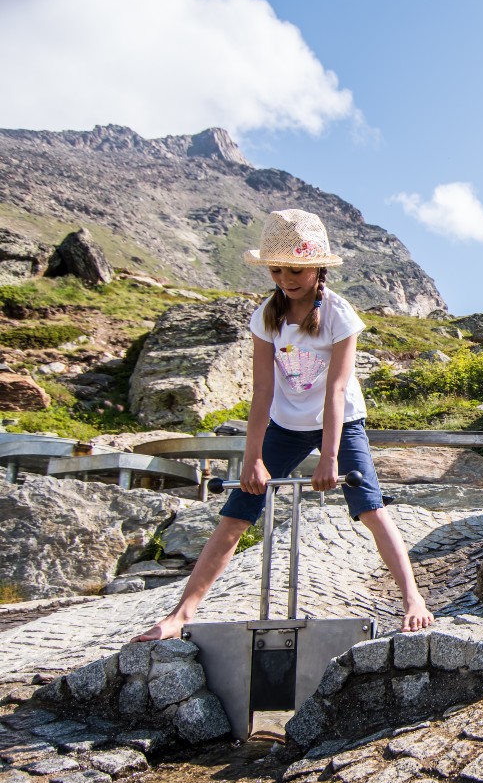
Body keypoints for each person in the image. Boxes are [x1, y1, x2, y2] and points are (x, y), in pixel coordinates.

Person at [135, 209, 432, 641]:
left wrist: (329, 457)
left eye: (295, 269)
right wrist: (252, 459)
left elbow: (335, 391)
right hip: (285, 423)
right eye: (277, 269)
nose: (286, 278)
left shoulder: (339, 314)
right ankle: (181, 614)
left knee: (369, 506)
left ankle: (413, 599)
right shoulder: (266, 316)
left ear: (317, 268)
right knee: (236, 514)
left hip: (341, 421)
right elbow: (262, 392)